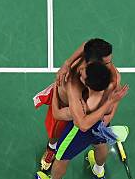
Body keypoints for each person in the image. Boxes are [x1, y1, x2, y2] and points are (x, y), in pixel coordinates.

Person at [35, 61, 129, 179]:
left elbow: (57, 113)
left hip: (78, 132)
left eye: (84, 76)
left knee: (61, 157)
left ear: (89, 85)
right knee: (101, 145)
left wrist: (55, 89)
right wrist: (110, 113)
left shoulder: (82, 107)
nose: (81, 73)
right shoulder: (109, 91)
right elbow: (116, 95)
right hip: (101, 125)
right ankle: (98, 172)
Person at [33, 38, 121, 171]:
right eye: (107, 62)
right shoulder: (81, 71)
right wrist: (66, 63)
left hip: (77, 114)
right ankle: (98, 170)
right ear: (92, 60)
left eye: (110, 61)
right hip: (82, 111)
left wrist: (57, 88)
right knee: (97, 143)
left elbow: (77, 121)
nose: (110, 66)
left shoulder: (103, 75)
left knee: (63, 152)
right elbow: (87, 43)